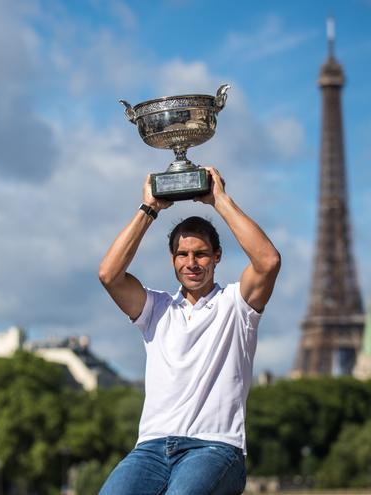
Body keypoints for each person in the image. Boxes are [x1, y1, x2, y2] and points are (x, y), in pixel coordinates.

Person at [97, 167, 281, 494]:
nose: (191, 263)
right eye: (182, 254)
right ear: (172, 259)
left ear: (217, 257)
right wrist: (149, 208)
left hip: (213, 447)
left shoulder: (237, 305)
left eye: (201, 254)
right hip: (151, 448)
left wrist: (219, 200)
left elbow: (267, 261)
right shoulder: (156, 308)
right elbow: (109, 275)